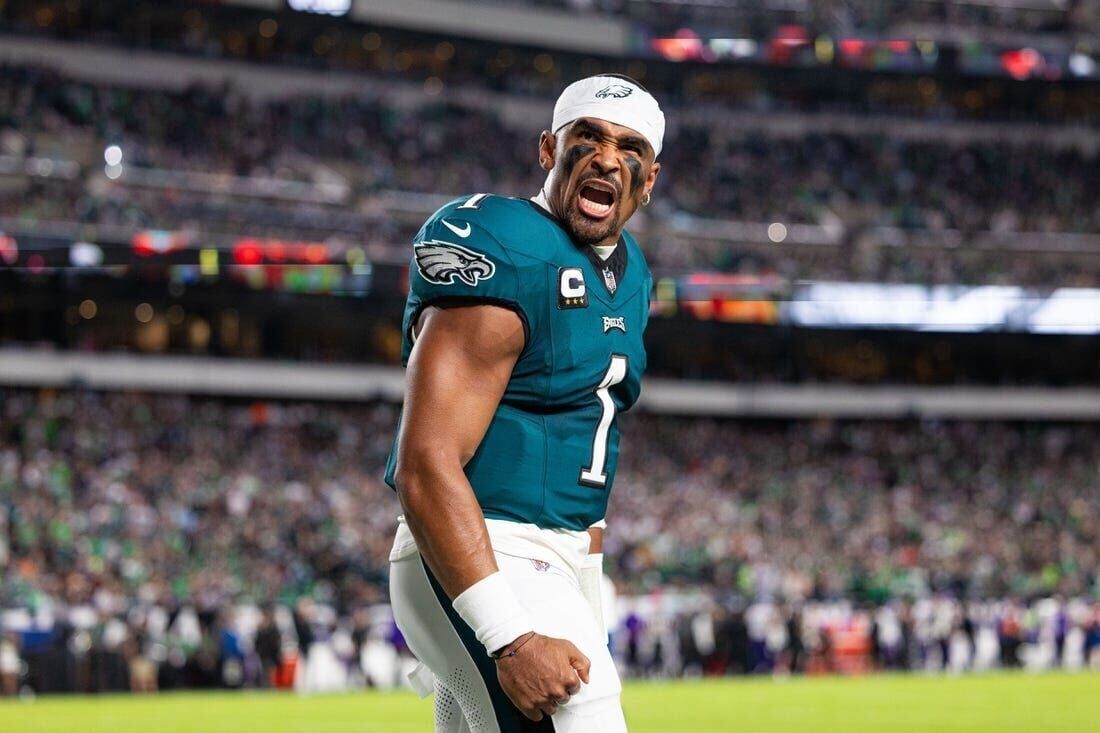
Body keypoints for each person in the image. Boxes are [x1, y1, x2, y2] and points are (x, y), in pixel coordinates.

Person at [385, 74, 663, 732]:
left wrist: (586, 588)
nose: (605, 157)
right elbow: (424, 461)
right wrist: (510, 635)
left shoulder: (632, 271)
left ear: (648, 179)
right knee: (586, 709)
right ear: (548, 150)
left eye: (629, 148)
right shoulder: (507, 244)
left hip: (563, 558)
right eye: (587, 138)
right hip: (486, 552)